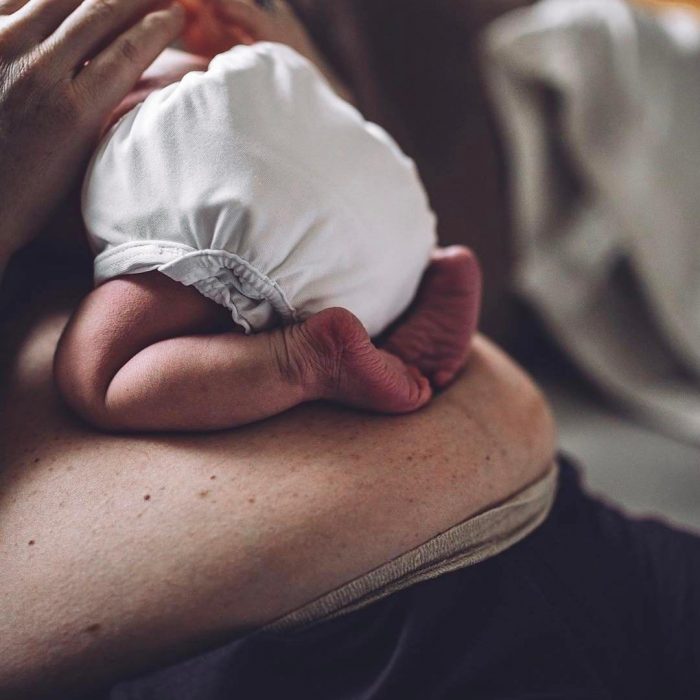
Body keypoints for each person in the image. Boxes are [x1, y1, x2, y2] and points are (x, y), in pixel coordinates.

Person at [2, 1, 699, 699]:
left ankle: (305, 362)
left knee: (101, 376)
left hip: (579, 544)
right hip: (342, 659)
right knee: (307, 260)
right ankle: (417, 281)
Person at [53, 18, 478, 432]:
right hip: (370, 187)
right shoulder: (164, 46)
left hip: (202, 185)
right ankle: (423, 273)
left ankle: (304, 362)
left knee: (100, 379)